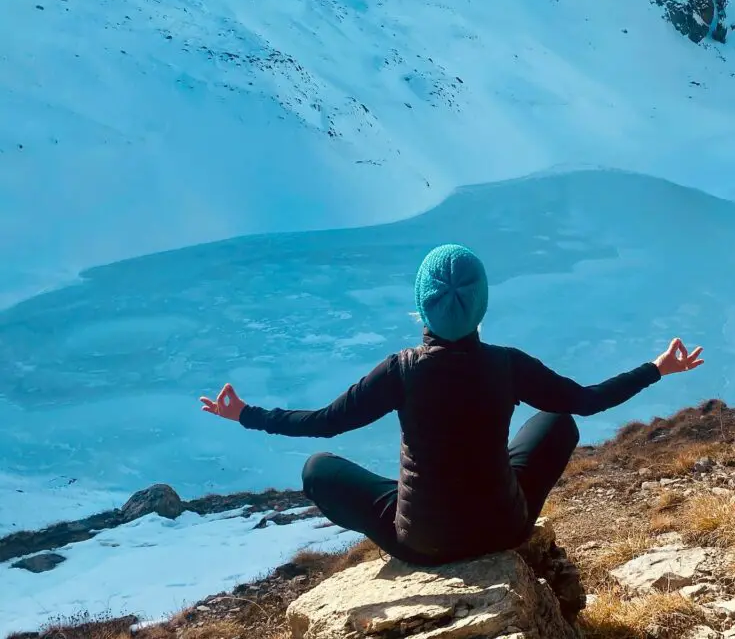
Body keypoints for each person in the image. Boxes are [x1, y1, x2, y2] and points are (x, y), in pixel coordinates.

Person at [200, 243, 703, 566]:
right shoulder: (507, 365)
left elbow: (325, 424)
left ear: (422, 305)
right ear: (481, 305)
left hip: (423, 542)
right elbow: (587, 402)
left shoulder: (400, 369)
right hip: (504, 528)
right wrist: (657, 368)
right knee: (558, 418)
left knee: (318, 469)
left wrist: (246, 414)